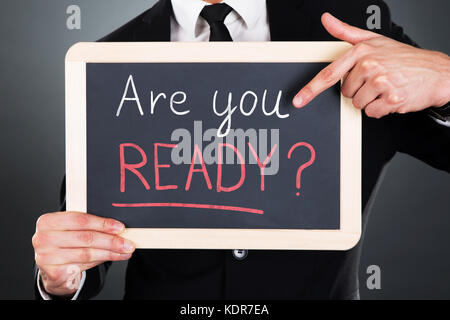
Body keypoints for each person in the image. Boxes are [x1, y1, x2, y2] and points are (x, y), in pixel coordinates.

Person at [33, 0, 450, 300]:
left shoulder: (357, 29)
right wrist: (60, 279)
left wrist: (444, 79)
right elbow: (84, 236)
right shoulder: (108, 59)